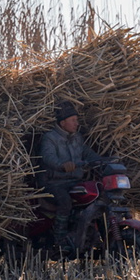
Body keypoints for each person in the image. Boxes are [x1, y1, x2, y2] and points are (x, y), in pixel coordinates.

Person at [38, 101, 103, 249]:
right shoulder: (50, 138)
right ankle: (60, 240)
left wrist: (102, 161)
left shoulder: (77, 138)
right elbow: (48, 157)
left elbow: (87, 153)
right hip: (53, 182)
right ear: (62, 123)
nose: (77, 123)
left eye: (77, 120)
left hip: (74, 181)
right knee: (65, 201)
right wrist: (61, 165)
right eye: (73, 120)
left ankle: (93, 234)